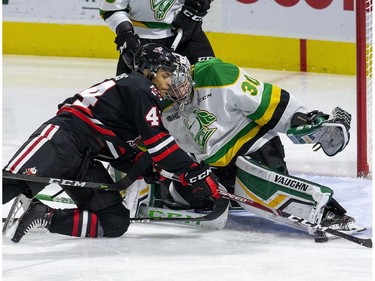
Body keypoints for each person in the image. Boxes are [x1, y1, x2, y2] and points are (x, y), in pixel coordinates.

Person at [2, 43, 221, 243]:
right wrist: (194, 171)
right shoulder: (141, 88)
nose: (168, 83)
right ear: (149, 71)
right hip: (63, 138)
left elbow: (118, 146)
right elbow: (160, 145)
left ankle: (45, 215)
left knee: (114, 221)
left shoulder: (138, 94)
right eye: (165, 75)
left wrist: (143, 165)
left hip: (85, 157)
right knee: (9, 183)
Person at [157, 54, 364, 235]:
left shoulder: (215, 74)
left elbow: (265, 99)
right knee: (179, 193)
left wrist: (300, 118)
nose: (179, 89)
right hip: (215, 168)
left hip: (254, 149)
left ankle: (329, 213)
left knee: (272, 193)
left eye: (181, 80)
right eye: (170, 86)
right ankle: (236, 196)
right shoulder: (161, 106)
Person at [99, 0, 215, 75]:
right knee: (135, 98)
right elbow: (110, 10)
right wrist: (126, 35)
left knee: (210, 74)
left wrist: (196, 7)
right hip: (141, 42)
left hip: (187, 34)